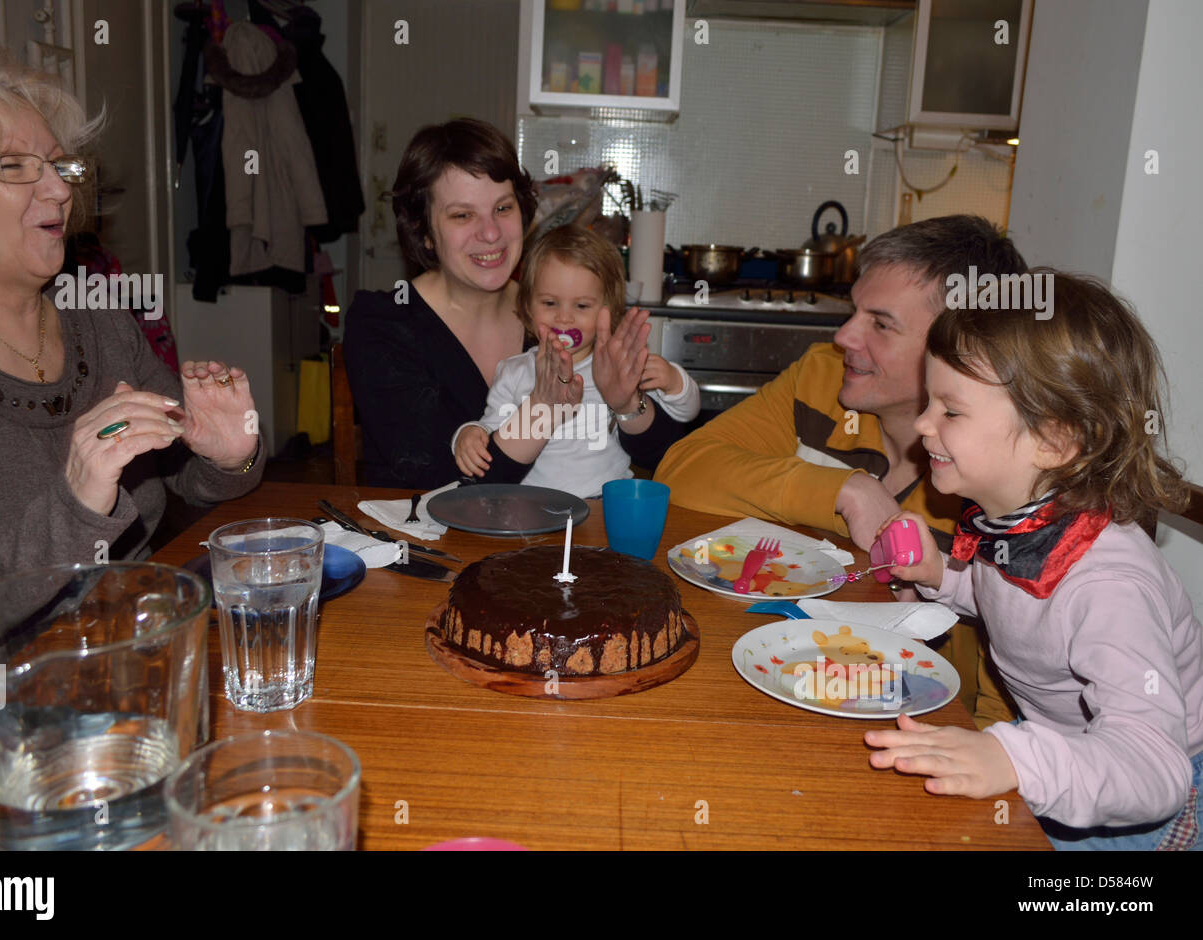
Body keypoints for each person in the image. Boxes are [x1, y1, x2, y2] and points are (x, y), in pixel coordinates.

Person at [0, 46, 263, 730]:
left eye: (61, 165)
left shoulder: (92, 313)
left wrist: (224, 454)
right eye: (14, 167)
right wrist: (71, 506)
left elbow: (190, 483)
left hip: (124, 675)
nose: (62, 190)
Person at [865, 271, 1202, 850]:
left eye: (951, 410)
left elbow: (1155, 769)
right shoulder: (1020, 524)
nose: (922, 425)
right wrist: (941, 578)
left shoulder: (1110, 583)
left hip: (1138, 803)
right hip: (1061, 750)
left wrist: (1013, 757)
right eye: (929, 402)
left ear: (1055, 441)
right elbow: (1014, 603)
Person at [654, 215, 1028, 727]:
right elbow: (680, 469)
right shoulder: (822, 378)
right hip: (785, 677)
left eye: (881, 323)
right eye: (855, 311)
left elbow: (1002, 708)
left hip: (921, 730)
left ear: (960, 351)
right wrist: (843, 492)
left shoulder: (997, 477)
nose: (844, 335)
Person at [343, 118, 688, 489]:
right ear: (424, 231)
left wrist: (626, 404)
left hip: (565, 537)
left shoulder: (566, 311)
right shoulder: (383, 323)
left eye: (503, 209)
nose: (490, 233)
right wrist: (541, 411)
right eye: (463, 215)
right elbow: (439, 479)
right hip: (423, 542)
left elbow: (665, 457)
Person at [452, 225, 698, 498]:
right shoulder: (513, 371)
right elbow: (491, 428)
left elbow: (687, 414)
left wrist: (675, 381)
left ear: (608, 310)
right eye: (549, 303)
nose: (564, 318)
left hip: (602, 505)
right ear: (526, 307)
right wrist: (469, 433)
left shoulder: (619, 368)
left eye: (581, 306)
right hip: (529, 506)